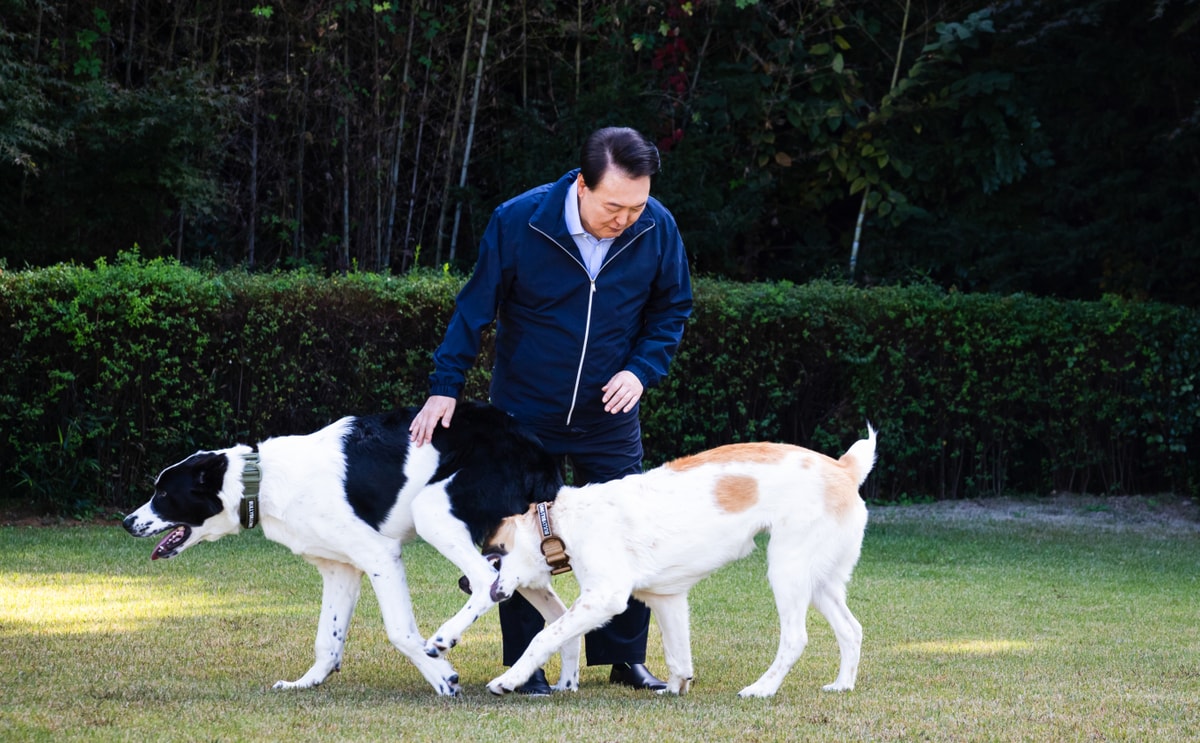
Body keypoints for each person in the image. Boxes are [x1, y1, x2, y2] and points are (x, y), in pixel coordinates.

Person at [409, 126, 693, 695]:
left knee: (629, 532)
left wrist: (641, 371)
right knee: (520, 537)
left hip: (608, 417)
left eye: (637, 205)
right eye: (615, 205)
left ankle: (623, 658)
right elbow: (474, 308)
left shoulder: (656, 224)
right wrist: (445, 384)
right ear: (582, 185)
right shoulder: (520, 220)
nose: (627, 218)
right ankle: (527, 665)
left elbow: (673, 308)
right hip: (524, 413)